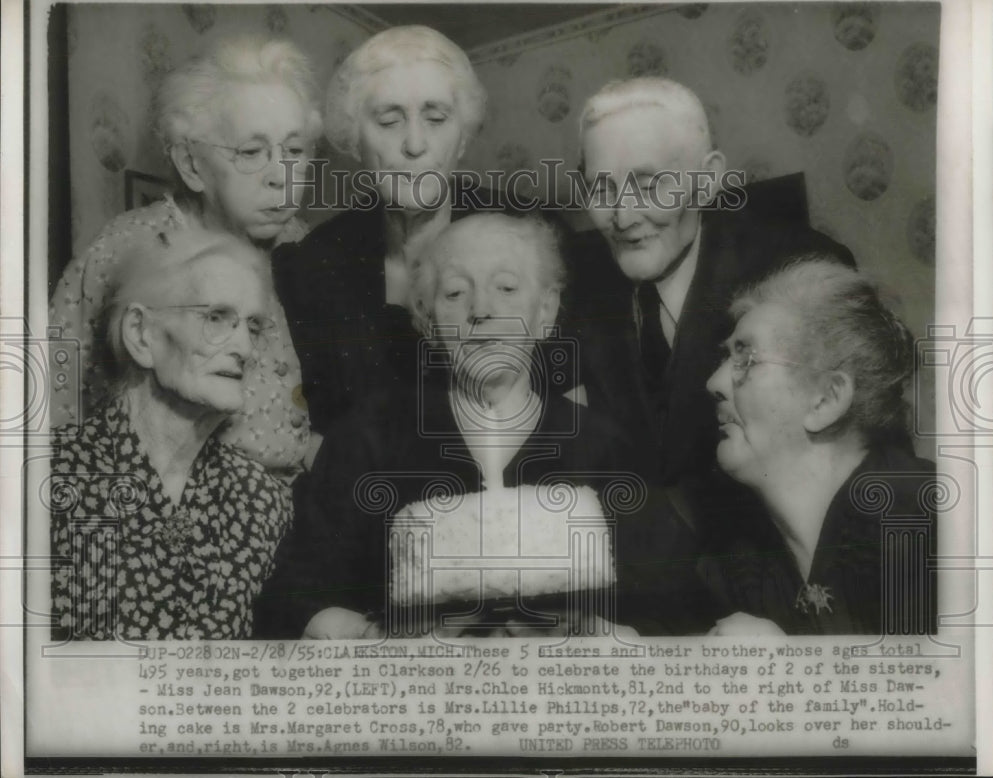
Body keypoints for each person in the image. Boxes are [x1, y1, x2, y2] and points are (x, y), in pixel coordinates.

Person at [255, 213, 636, 639]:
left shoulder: (601, 444)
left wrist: (601, 631)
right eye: (455, 292)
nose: (481, 310)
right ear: (428, 320)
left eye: (506, 288)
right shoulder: (371, 435)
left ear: (546, 309)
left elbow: (655, 603)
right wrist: (361, 634)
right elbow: (294, 593)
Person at [568, 77, 855, 501]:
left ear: (707, 180)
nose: (623, 217)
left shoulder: (800, 269)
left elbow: (863, 464)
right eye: (601, 188)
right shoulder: (575, 287)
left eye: (648, 185)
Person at [50, 36, 322, 473]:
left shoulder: (305, 246)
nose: (282, 177)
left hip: (297, 510)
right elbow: (53, 398)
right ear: (191, 165)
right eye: (252, 152)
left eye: (294, 151)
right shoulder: (127, 246)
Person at [50, 229, 292, 640]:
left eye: (252, 327)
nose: (246, 349)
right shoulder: (44, 479)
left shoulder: (261, 501)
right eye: (216, 318)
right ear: (141, 334)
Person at [271, 25, 495, 439]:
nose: (414, 143)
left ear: (462, 139)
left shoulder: (526, 238)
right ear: (356, 141)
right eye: (389, 121)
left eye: (436, 118)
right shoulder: (314, 264)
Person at [701, 258, 936, 635]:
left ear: (826, 399)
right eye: (727, 357)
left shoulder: (940, 523)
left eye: (746, 358)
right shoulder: (737, 564)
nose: (715, 381)